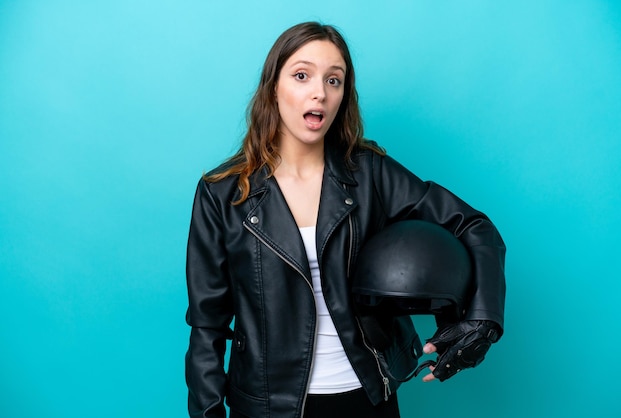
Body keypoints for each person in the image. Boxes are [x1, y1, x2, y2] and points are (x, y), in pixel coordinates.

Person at [185, 22, 506, 418]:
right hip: (269, 407)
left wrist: (482, 318)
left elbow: (474, 226)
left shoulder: (371, 174)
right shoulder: (222, 192)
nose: (319, 92)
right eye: (302, 75)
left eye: (333, 80)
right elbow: (207, 327)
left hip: (368, 397)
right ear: (273, 88)